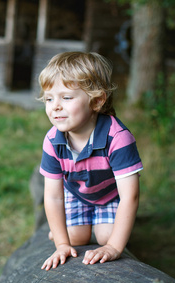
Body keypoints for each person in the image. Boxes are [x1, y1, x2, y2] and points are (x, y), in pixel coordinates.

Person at [38, 52, 143, 271]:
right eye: (49, 98)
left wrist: (114, 247)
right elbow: (53, 195)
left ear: (97, 100)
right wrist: (62, 243)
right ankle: (67, 228)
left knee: (105, 237)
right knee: (76, 240)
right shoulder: (52, 140)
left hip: (109, 196)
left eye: (66, 98)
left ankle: (102, 228)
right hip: (75, 193)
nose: (55, 106)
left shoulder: (117, 138)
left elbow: (130, 195)